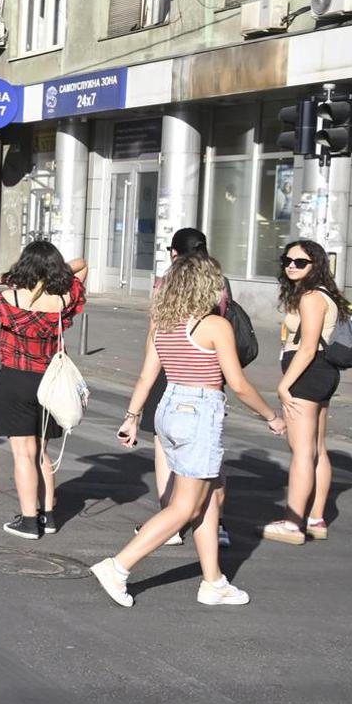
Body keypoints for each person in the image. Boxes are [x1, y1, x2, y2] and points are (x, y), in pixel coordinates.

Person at [95, 254, 285, 607]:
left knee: (210, 494)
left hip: (168, 406)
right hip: (198, 412)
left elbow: (146, 376)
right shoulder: (214, 326)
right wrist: (271, 416)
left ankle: (213, 581)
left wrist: (132, 416)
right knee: (184, 507)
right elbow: (239, 384)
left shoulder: (163, 323)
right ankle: (118, 567)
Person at [0, 240, 89, 539]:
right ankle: (48, 516)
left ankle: (27, 520)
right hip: (51, 381)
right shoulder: (64, 298)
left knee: (24, 453)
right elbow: (82, 264)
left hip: (15, 380)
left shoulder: (10, 299)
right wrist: (54, 275)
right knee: (42, 452)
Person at [137, 228, 233, 547]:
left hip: (174, 370)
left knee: (166, 448)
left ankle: (171, 520)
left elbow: (155, 333)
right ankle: (214, 521)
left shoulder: (166, 282)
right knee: (208, 454)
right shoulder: (219, 280)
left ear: (174, 253)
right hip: (211, 371)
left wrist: (133, 409)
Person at [265, 239, 349, 545]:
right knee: (317, 448)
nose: (291, 266)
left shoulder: (312, 298)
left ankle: (293, 523)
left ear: (316, 266)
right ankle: (315, 519)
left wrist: (284, 384)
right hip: (323, 373)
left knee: (301, 450)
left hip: (308, 374)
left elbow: (308, 346)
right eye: (287, 260)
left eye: (300, 262)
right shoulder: (324, 294)